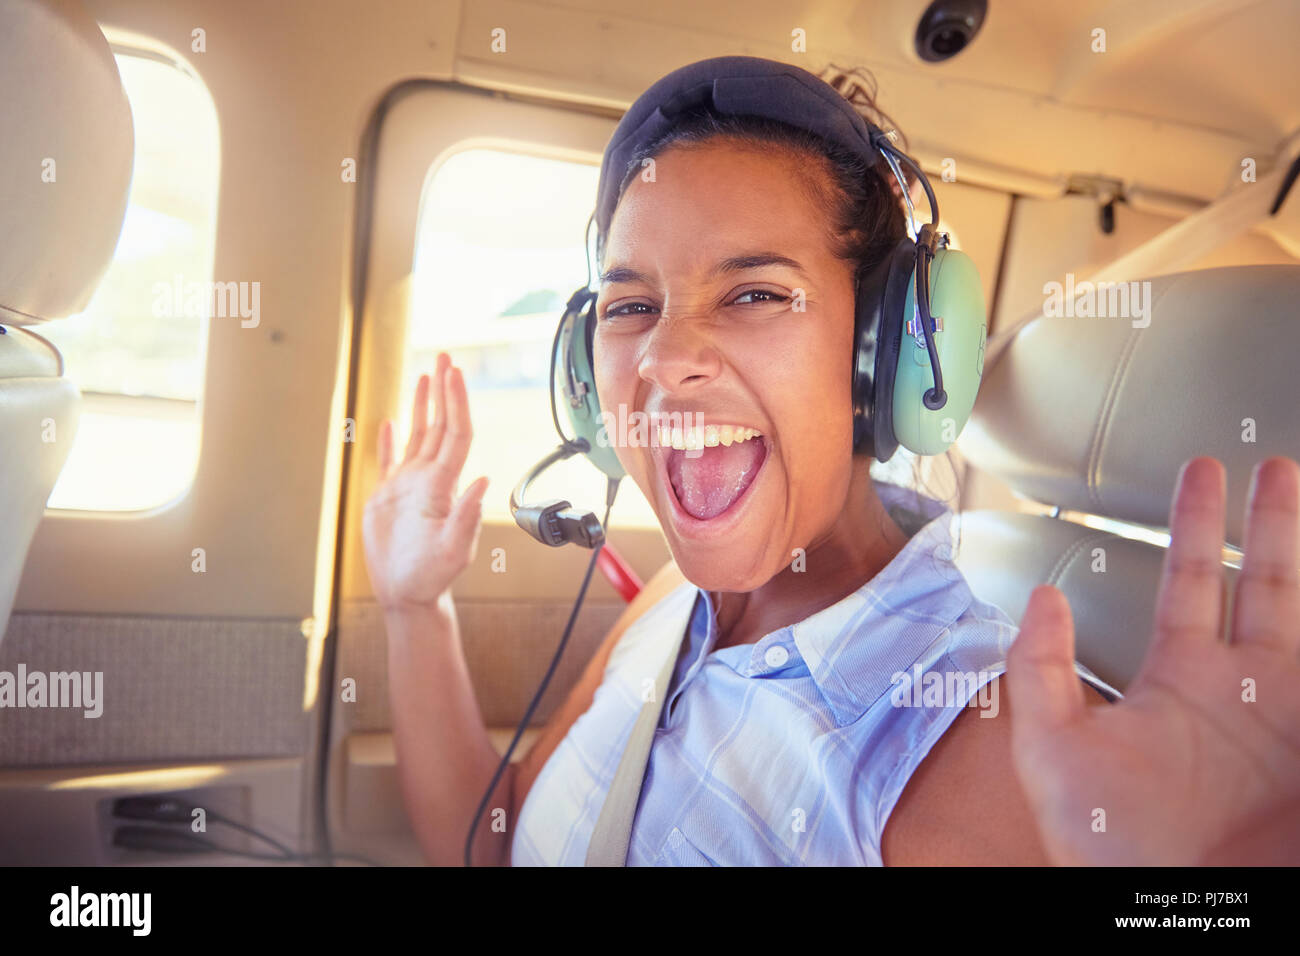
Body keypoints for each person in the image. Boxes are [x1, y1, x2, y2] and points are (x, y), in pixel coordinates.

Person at [362, 58, 1300, 866]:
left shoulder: (967, 747)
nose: (660, 358)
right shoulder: (673, 606)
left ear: (890, 354)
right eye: (629, 305)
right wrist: (413, 604)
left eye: (756, 292)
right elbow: (493, 841)